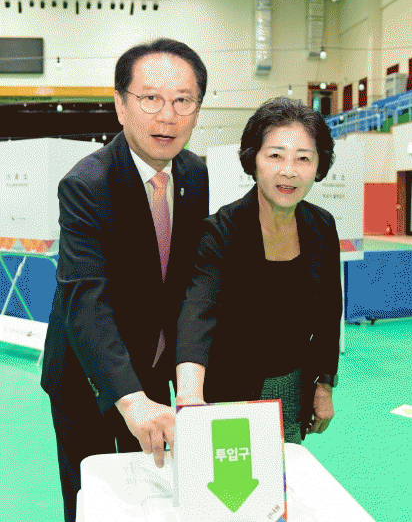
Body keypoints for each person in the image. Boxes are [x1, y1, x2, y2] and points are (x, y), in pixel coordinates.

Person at [40, 38, 209, 522]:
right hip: (88, 374)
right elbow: (85, 299)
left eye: (183, 100)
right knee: (91, 499)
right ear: (120, 104)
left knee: (150, 497)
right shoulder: (86, 184)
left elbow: (188, 283)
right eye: (150, 98)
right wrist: (131, 400)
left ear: (197, 109)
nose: (167, 116)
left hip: (154, 369)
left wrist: (187, 379)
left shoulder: (194, 173)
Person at [174, 97, 342, 444]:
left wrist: (324, 384)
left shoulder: (322, 226)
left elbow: (329, 313)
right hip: (230, 391)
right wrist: (190, 395)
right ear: (253, 159)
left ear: (318, 165)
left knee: (284, 473)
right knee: (235, 478)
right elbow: (198, 315)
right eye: (275, 155)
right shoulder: (221, 231)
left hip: (292, 390)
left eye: (303, 158)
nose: (289, 171)